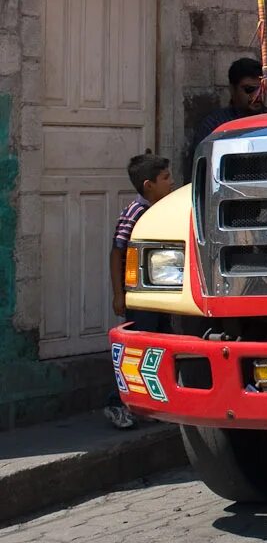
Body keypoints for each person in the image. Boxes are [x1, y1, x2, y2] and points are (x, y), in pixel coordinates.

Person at [106, 153, 176, 429]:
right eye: (166, 178)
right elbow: (117, 251)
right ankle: (116, 402)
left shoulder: (161, 208)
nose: (171, 183)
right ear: (149, 185)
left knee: (160, 348)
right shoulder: (135, 212)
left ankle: (156, 406)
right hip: (139, 297)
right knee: (136, 351)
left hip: (160, 296)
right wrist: (118, 294)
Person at [187, 57, 267, 172]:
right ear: (232, 89)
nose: (257, 95)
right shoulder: (215, 125)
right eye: (249, 89)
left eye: (261, 89)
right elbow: (201, 168)